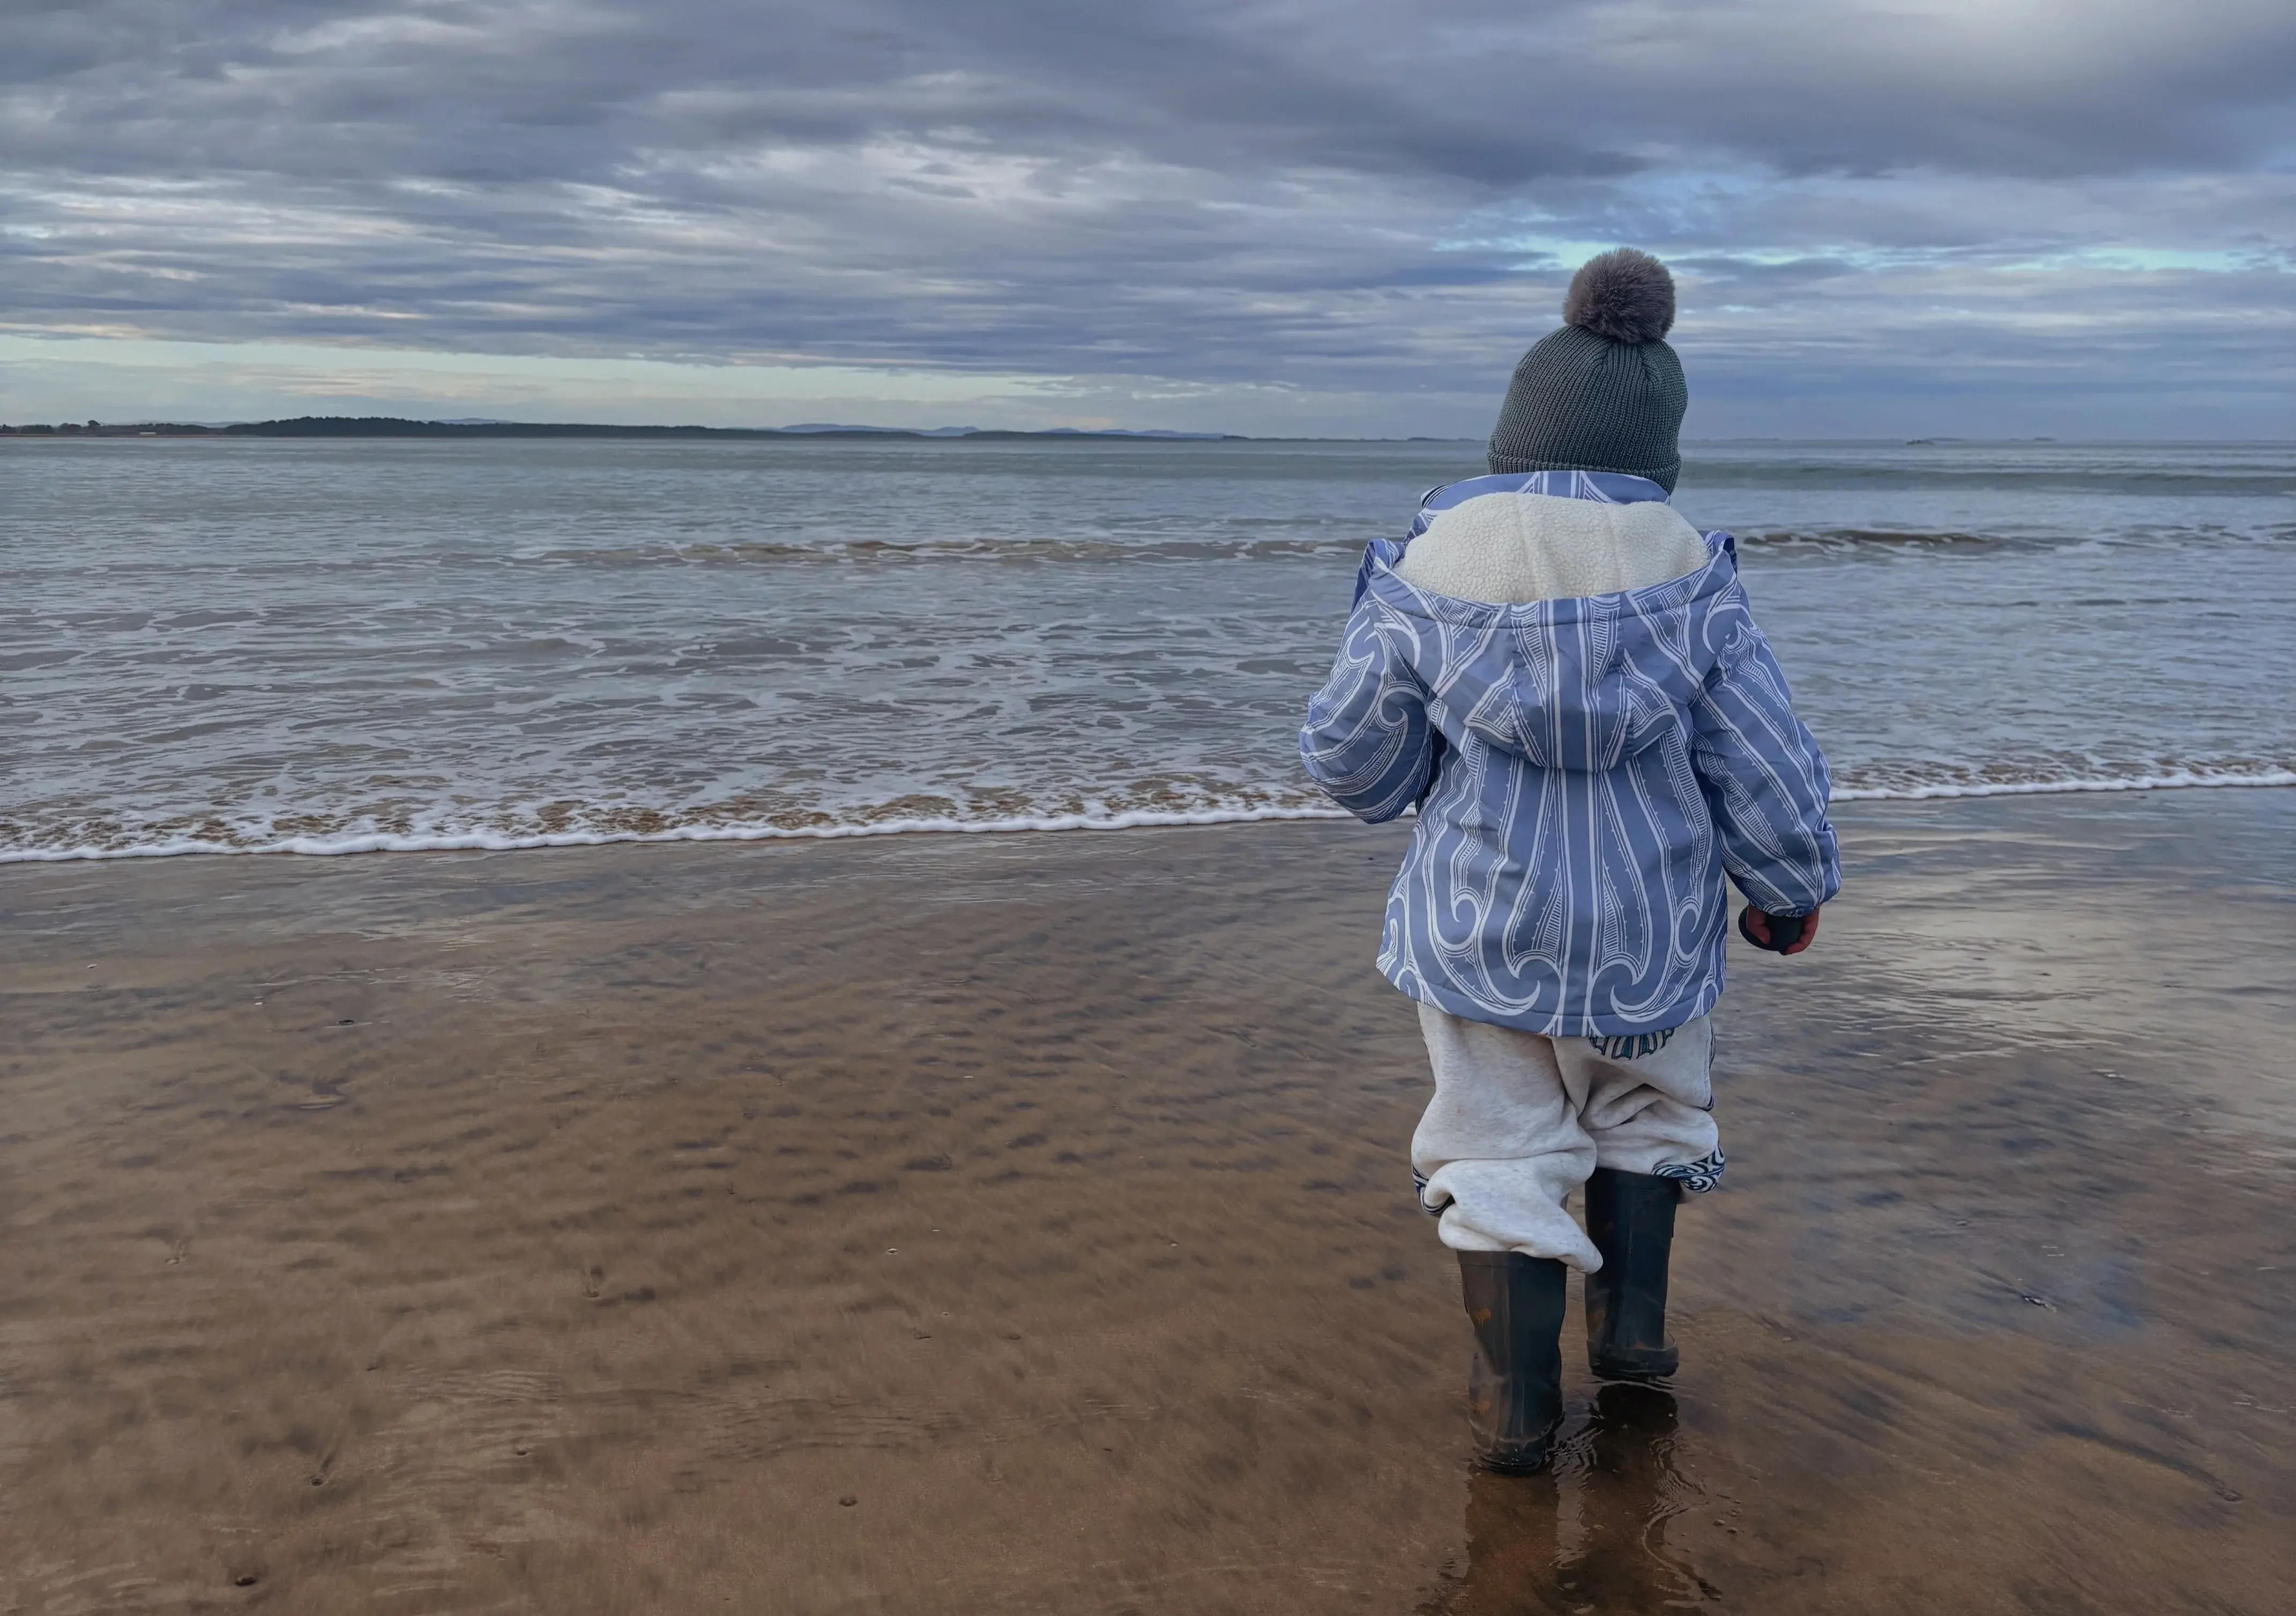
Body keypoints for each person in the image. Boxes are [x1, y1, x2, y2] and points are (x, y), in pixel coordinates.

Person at [1298, 248, 1839, 1472]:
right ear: (1659, 451)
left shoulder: (1426, 572)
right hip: (1649, 928)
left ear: (1512, 434)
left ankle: (1517, 1409)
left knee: (1494, 1139)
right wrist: (1788, 883)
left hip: (1481, 926)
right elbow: (1765, 757)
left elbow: (1353, 765)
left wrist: (1415, 754)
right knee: (1649, 1109)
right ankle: (1635, 1339)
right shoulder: (1692, 576)